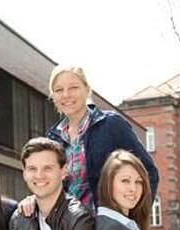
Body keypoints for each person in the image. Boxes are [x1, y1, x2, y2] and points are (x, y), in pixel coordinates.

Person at [43, 64, 158, 211]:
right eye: (59, 90)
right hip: (67, 223)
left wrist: (133, 218)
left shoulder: (111, 125)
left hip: (104, 222)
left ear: (87, 90)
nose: (66, 94)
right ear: (53, 96)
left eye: (73, 87)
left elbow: (149, 173)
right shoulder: (52, 139)